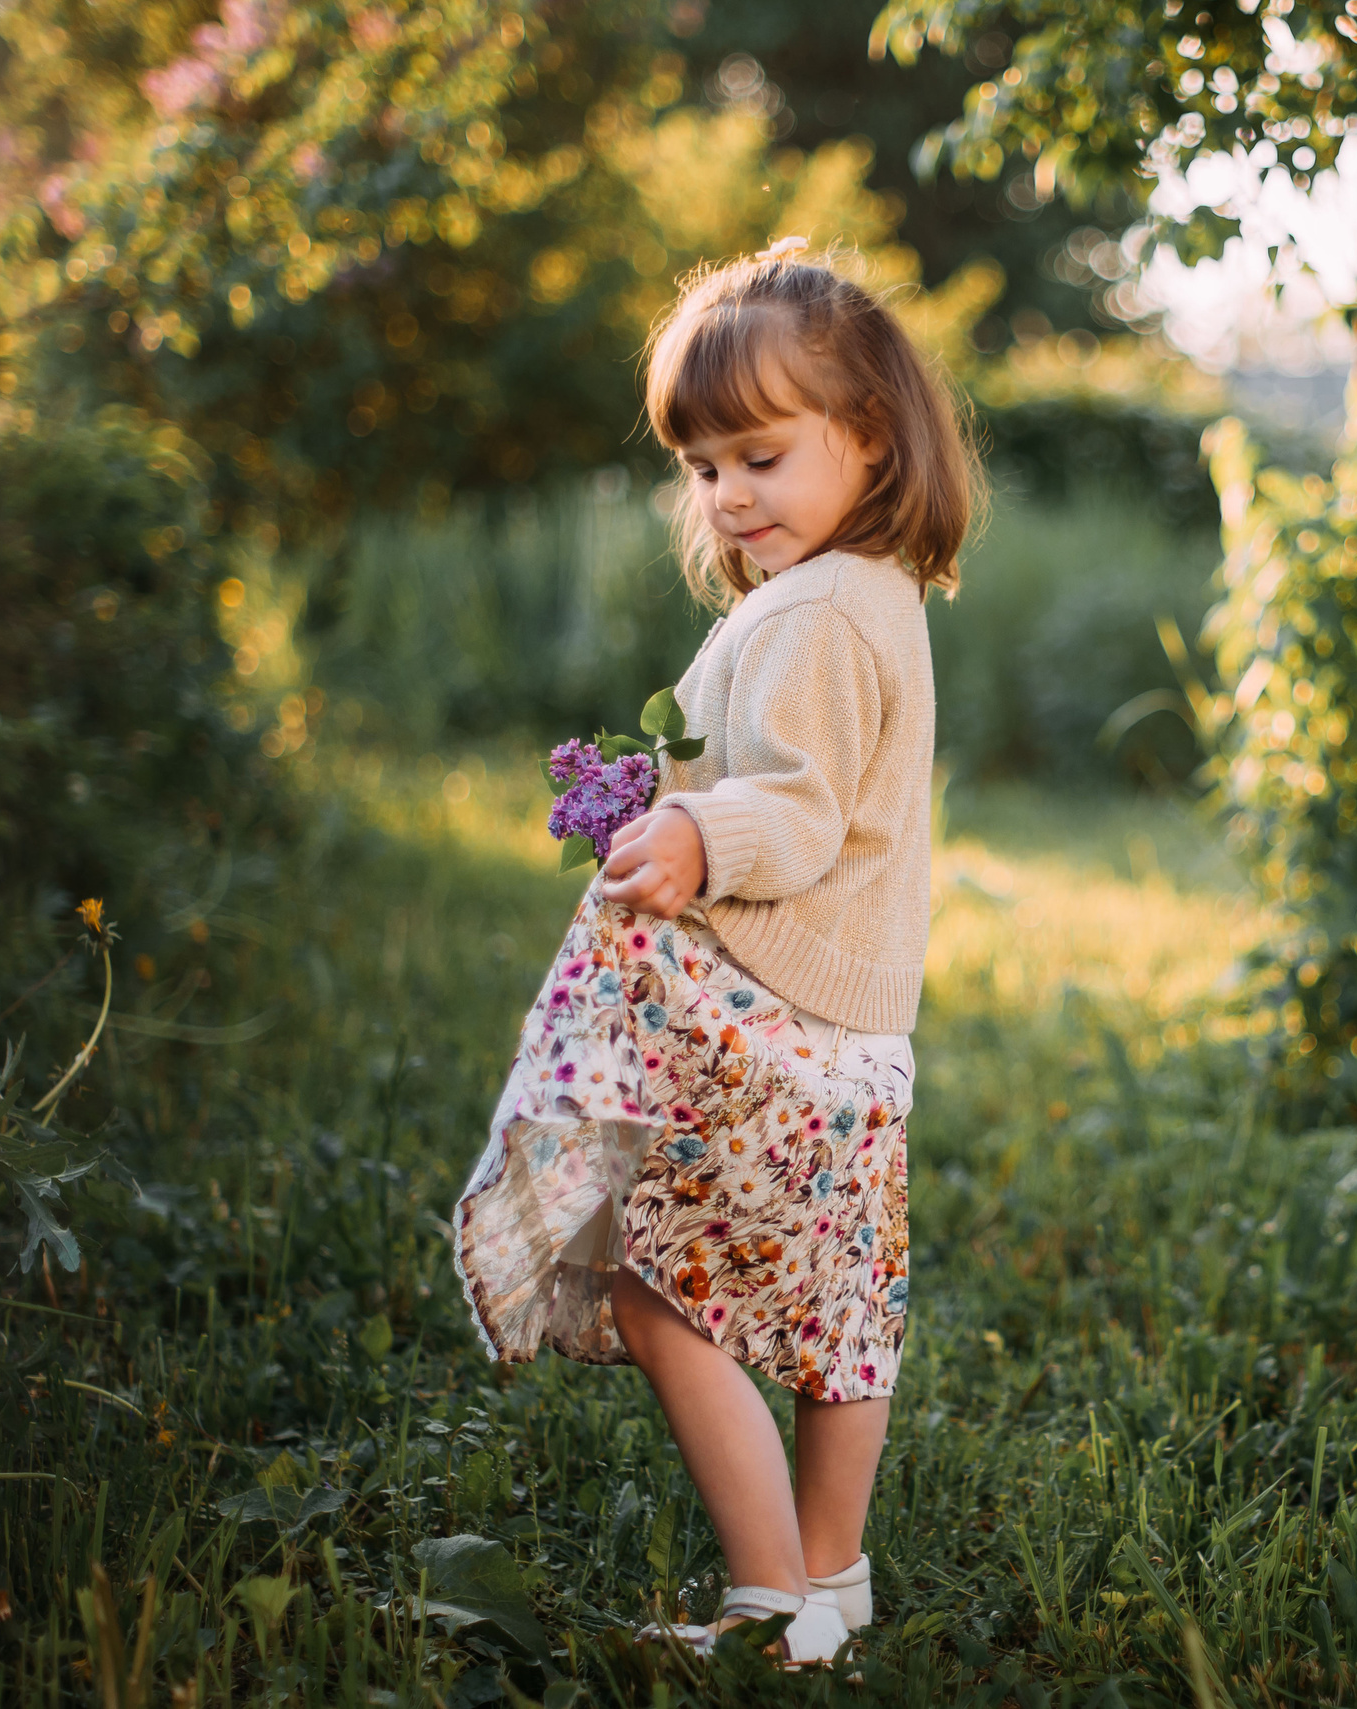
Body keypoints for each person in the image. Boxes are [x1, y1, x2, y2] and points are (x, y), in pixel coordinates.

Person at [453, 242, 974, 1667]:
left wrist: (695, 839)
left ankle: (766, 1604)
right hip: (862, 1043)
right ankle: (831, 1576)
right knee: (839, 1314)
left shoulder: (807, 611)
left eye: (760, 455)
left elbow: (798, 803)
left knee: (663, 1287)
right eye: (702, 466)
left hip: (781, 1022)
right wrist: (667, 790)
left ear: (866, 440)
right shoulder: (878, 592)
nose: (729, 495)